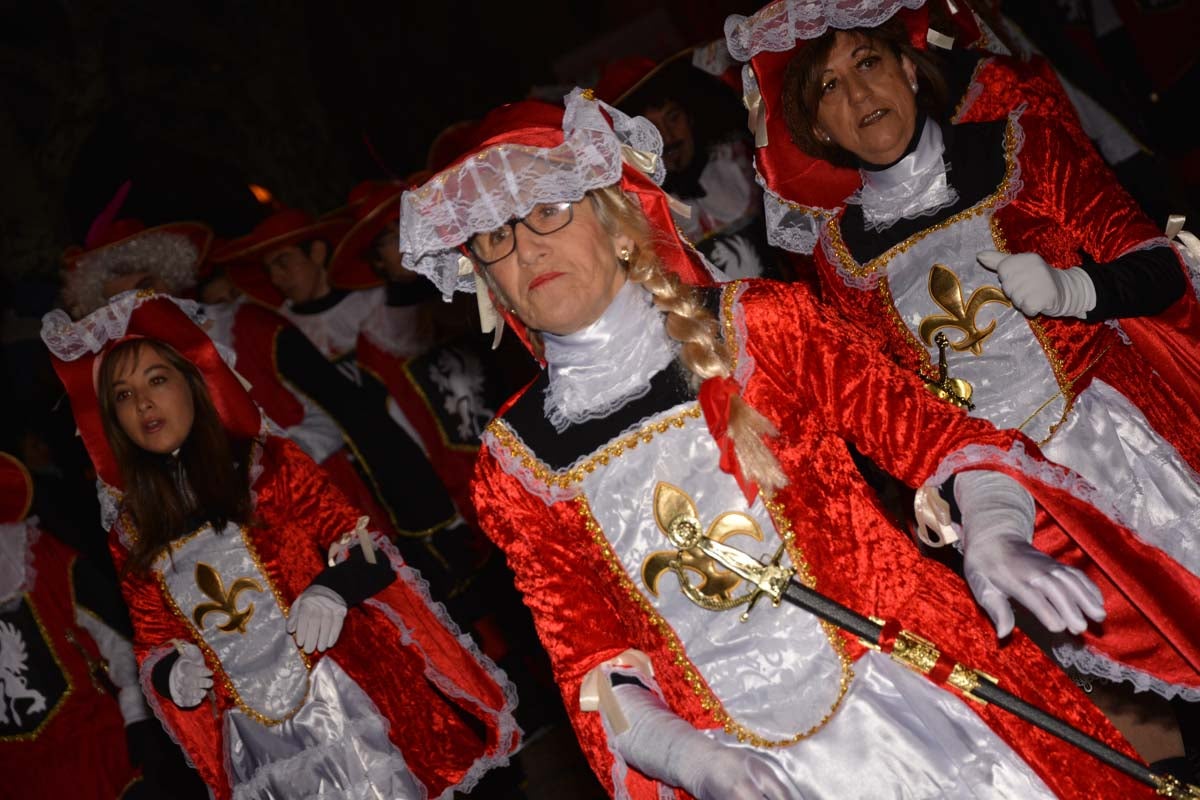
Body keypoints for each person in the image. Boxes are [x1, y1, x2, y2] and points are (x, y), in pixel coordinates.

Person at [397, 88, 1199, 798]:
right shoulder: (515, 465)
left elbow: (941, 436)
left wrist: (992, 526)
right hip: (750, 774)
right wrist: (685, 757)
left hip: (922, 714)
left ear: (616, 223)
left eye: (546, 210)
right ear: (483, 284)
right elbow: (588, 668)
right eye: (494, 239)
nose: (526, 248)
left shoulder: (762, 325)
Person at [40, 292, 518, 800]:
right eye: (123, 395)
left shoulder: (267, 466)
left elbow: (369, 548)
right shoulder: (131, 529)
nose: (143, 403)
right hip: (256, 748)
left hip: (347, 710)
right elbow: (152, 637)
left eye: (157, 380)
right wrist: (167, 673)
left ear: (194, 383)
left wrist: (331, 589)